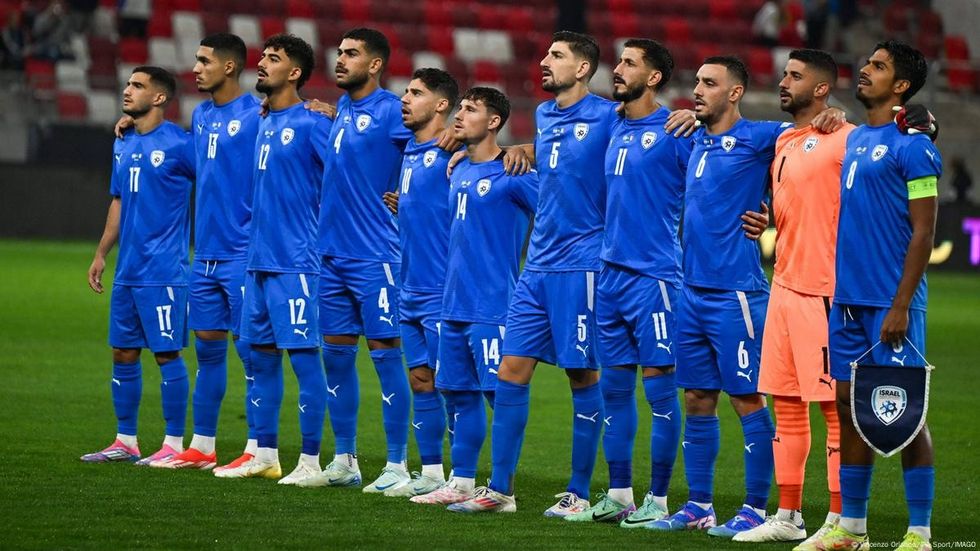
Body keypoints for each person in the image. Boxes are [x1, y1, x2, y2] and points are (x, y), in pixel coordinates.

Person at [448, 31, 614, 516]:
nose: (544, 60)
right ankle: (500, 490)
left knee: (582, 375)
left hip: (580, 265)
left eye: (556, 55)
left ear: (582, 69)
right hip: (535, 267)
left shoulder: (608, 115)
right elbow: (554, 153)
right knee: (510, 373)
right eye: (545, 53)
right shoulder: (544, 114)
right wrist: (517, 147)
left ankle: (579, 493)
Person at [648, 56, 788, 537]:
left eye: (710, 83)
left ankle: (756, 508)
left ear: (735, 92)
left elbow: (813, 143)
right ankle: (699, 505)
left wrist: (774, 215)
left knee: (747, 399)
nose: (697, 90)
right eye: (697, 81)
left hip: (737, 294)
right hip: (691, 292)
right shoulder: (694, 139)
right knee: (697, 398)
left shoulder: (761, 136)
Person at [811, 40, 941, 551]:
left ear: (901, 85)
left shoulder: (916, 147)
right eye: (867, 62)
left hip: (890, 304)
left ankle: (920, 533)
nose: (865, 69)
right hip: (847, 302)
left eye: (879, 66)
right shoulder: (858, 138)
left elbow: (924, 233)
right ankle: (852, 530)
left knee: (906, 414)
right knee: (849, 411)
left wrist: (901, 305)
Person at [564, 38, 690, 526]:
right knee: (614, 393)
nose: (617, 69)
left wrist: (758, 210)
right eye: (618, 61)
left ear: (653, 78)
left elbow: (724, 172)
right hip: (610, 276)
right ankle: (620, 494)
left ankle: (659, 500)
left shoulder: (676, 129)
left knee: (660, 393)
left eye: (629, 63)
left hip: (654, 278)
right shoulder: (611, 123)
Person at [733, 48, 853, 545]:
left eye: (796, 76)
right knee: (785, 402)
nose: (784, 82)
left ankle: (843, 520)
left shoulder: (846, 137)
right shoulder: (784, 138)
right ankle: (789, 515)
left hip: (823, 291)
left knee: (834, 411)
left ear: (822, 89)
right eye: (784, 73)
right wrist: (772, 220)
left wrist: (842, 113)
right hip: (781, 286)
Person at [298, 28, 414, 492]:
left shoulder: (392, 111)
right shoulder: (343, 109)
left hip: (376, 255)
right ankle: (345, 459)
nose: (340, 59)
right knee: (337, 359)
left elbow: (434, 147)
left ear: (376, 64)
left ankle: (398, 465)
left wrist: (408, 194)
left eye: (352, 53)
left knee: (386, 357)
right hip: (331, 256)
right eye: (340, 51)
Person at [411, 87, 538, 510]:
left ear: (494, 121)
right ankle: (462, 482)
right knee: (457, 393)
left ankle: (503, 491)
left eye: (470, 109)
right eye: (460, 108)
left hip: (494, 305)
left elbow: (558, 214)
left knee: (500, 395)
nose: (459, 115)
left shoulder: (515, 174)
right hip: (452, 304)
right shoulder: (459, 169)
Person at [214, 33, 332, 484]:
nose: (261, 63)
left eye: (274, 58)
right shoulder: (263, 119)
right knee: (259, 358)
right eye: (262, 56)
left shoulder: (314, 123)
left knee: (304, 359)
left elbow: (347, 173)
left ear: (295, 72)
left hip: (296, 263)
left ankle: (311, 461)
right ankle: (265, 454)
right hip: (258, 262)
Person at [81, 66, 195, 466]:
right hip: (128, 270)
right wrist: (102, 253)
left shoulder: (181, 144)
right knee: (124, 352)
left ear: (159, 97)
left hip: (164, 271)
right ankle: (125, 440)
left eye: (138, 85)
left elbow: (217, 180)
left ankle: (174, 444)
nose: (127, 90)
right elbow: (118, 199)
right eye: (128, 83)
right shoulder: (123, 141)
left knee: (166, 354)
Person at [381, 68, 459, 497]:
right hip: (409, 288)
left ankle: (463, 477)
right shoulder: (411, 149)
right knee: (420, 382)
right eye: (405, 91)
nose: (405, 99)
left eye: (416, 93)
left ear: (442, 105)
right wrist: (407, 206)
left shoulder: (457, 151)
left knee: (455, 387)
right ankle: (431, 472)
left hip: (443, 290)